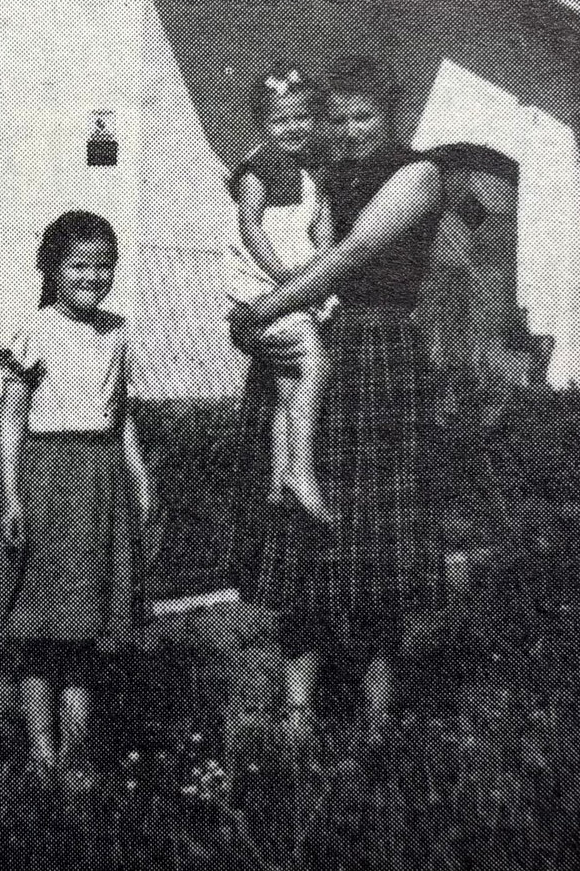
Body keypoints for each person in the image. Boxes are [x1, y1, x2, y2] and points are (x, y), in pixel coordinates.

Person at [228, 56, 444, 753]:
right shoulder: (316, 169)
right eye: (341, 118)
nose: (352, 131)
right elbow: (266, 224)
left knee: (376, 539)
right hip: (310, 344)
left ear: (393, 116)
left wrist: (257, 311)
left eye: (366, 117)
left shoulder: (417, 175)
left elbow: (346, 257)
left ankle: (379, 725)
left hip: (377, 347)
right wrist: (264, 330)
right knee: (302, 536)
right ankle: (298, 719)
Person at [0, 211, 156, 770]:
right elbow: (13, 416)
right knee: (42, 626)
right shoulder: (35, 332)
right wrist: (13, 494)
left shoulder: (119, 332)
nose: (92, 277)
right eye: (77, 265)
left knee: (86, 628)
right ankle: (41, 755)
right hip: (47, 478)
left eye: (103, 267)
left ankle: (76, 751)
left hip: (101, 480)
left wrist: (141, 487)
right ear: (52, 269)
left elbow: (123, 416)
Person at [224, 67, 333, 524]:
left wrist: (322, 273)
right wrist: (288, 280)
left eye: (302, 118)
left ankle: (279, 478)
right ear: (263, 124)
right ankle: (302, 472)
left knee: (289, 388)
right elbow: (251, 230)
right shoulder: (257, 170)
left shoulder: (312, 172)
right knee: (314, 362)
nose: (293, 128)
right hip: (264, 290)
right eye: (280, 121)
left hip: (302, 289)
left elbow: (322, 229)